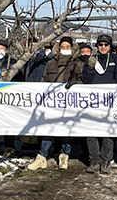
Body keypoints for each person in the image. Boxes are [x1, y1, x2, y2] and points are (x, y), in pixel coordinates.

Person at [28, 37, 83, 171]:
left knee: (66, 130)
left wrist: (76, 84)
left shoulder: (77, 64)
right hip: (51, 103)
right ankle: (42, 157)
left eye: (67, 47)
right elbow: (44, 79)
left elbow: (83, 81)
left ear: (72, 48)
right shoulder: (51, 63)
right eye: (62, 47)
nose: (64, 49)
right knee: (48, 128)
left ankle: (64, 155)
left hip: (69, 104)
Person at [82, 34, 117, 174]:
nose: (103, 47)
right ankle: (94, 160)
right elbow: (86, 80)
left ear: (110, 46)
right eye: (100, 44)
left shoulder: (116, 59)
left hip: (110, 100)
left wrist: (108, 89)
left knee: (108, 132)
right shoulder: (91, 59)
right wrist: (89, 68)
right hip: (93, 101)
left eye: (106, 44)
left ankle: (106, 160)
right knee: (90, 131)